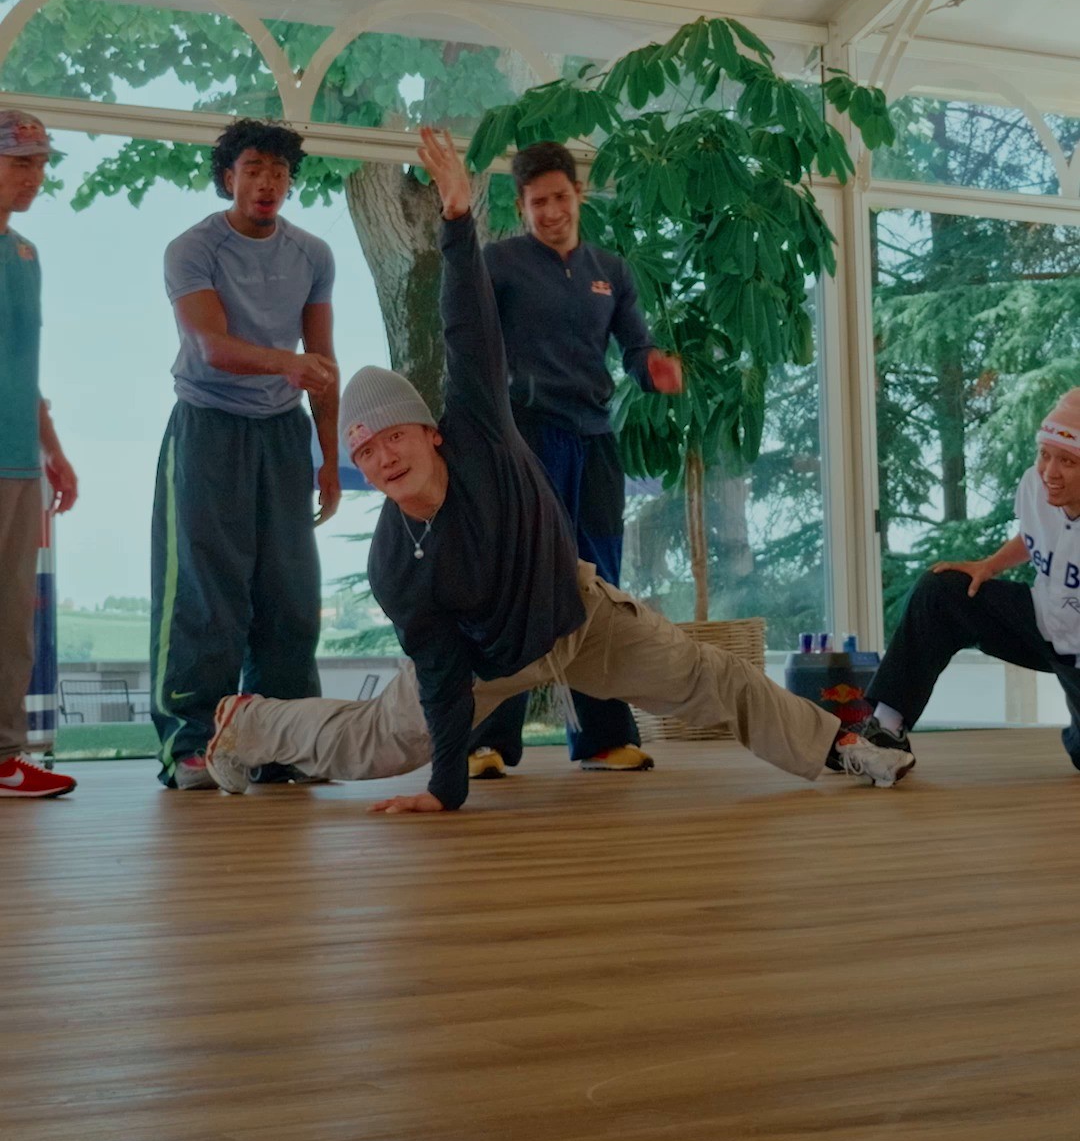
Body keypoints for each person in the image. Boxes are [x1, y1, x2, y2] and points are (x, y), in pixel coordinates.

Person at [205, 128, 914, 806]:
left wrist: (457, 216)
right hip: (485, 661)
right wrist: (445, 792)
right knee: (372, 743)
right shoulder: (394, 563)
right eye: (366, 451)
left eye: (395, 436)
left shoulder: (484, 435)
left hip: (577, 615)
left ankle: (843, 746)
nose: (385, 456)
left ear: (433, 433)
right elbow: (443, 674)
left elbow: (466, 327)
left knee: (712, 675)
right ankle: (249, 723)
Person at [468, 139, 682, 780]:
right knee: (516, 582)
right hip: (526, 439)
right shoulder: (498, 263)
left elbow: (635, 346)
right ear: (521, 206)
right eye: (538, 202)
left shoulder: (609, 270)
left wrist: (654, 368)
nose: (552, 211)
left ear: (578, 194)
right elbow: (469, 344)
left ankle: (602, 739)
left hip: (594, 441)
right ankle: (484, 740)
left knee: (600, 588)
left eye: (560, 197)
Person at [151, 117, 340, 789]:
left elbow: (324, 363)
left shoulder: (313, 254)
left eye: (279, 172)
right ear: (228, 176)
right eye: (253, 169)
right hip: (207, 429)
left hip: (283, 434)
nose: (267, 183)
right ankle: (191, 744)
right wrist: (287, 364)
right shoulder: (192, 249)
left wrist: (328, 458)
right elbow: (211, 347)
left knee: (290, 595)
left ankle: (282, 743)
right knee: (207, 594)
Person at [858, 389, 1080, 768]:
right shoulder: (1036, 485)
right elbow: (1035, 535)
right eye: (1044, 454)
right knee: (941, 590)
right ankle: (885, 732)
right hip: (1044, 620)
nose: (1050, 472)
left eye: (1067, 461)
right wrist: (988, 566)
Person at [0, 110, 78, 800]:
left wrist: (53, 448)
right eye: (21, 162)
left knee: (12, 619)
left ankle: (4, 758)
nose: (34, 176)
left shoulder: (25, 255)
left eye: (41, 163)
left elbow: (23, 366)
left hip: (20, 462)